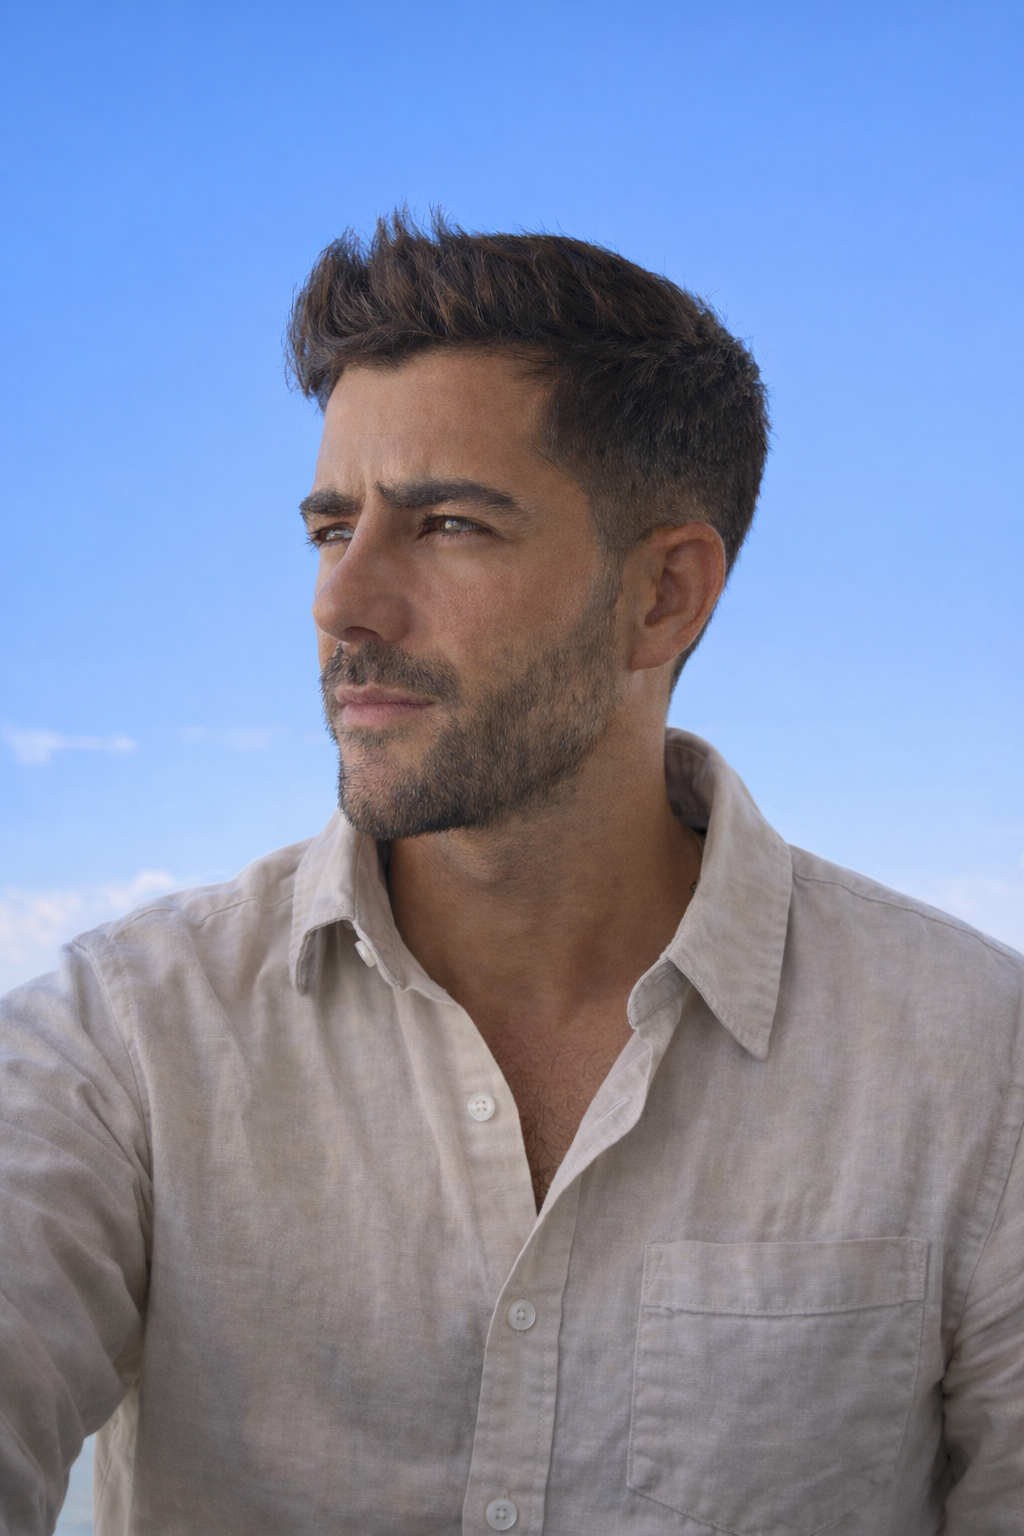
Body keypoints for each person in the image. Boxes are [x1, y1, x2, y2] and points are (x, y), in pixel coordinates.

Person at [1, 215, 1021, 1536]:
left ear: (663, 596)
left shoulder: (974, 1062)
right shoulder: (119, 1046)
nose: (343, 602)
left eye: (449, 526)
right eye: (329, 530)